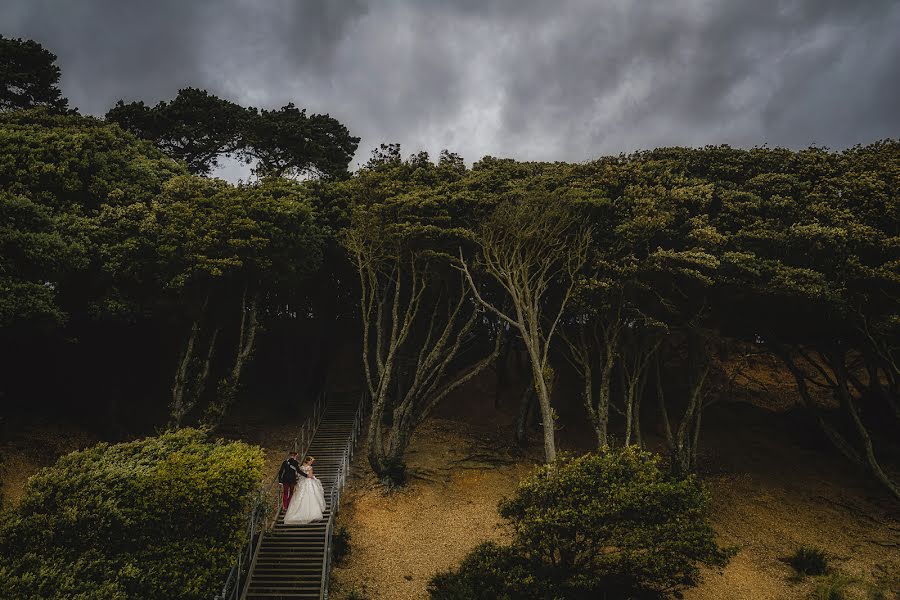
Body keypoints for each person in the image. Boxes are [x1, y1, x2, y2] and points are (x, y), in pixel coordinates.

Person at [283, 456, 326, 524]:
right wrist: (314, 477)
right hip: (308, 481)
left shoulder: (301, 467)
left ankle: (297, 513)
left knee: (300, 497)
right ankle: (313, 514)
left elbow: (299, 474)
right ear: (308, 461)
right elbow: (310, 475)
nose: (312, 463)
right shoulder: (310, 467)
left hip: (302, 482)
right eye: (311, 461)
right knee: (311, 495)